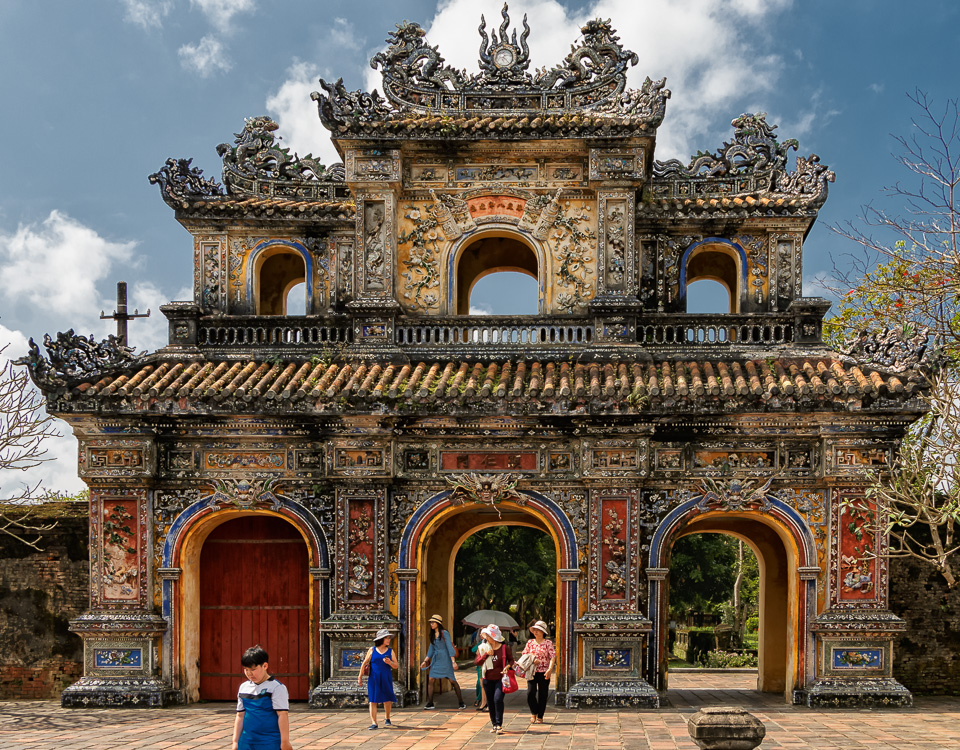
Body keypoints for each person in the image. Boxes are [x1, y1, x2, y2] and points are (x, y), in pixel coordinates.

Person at [232, 644, 292, 750]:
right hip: (247, 741)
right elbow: (240, 715)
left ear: (265, 666)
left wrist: (285, 742)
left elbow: (282, 715)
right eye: (246, 670)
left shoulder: (277, 688)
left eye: (253, 669)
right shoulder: (243, 687)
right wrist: (235, 741)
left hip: (270, 741)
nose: (249, 673)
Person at [418, 614, 465, 709]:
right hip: (436, 660)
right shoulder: (432, 634)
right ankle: (430, 703)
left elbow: (449, 646)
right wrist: (425, 661)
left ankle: (461, 702)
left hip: (446, 659)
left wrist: (453, 662)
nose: (431, 624)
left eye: (433, 622)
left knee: (452, 681)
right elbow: (431, 649)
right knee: (431, 679)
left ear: (438, 623)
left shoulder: (444, 633)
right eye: (431, 622)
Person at [475, 623, 514, 734]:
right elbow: (477, 662)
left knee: (498, 699)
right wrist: (486, 655)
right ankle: (494, 724)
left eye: (490, 636)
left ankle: (499, 724)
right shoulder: (483, 648)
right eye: (487, 636)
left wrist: (507, 667)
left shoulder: (503, 648)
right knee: (490, 702)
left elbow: (511, 660)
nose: (488, 638)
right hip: (487, 679)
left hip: (500, 679)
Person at [358, 628, 399, 730]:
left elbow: (396, 665)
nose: (389, 640)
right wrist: (360, 677)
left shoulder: (390, 651)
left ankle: (387, 717)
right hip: (374, 678)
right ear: (381, 639)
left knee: (387, 699)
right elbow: (364, 663)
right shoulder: (371, 650)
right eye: (386, 638)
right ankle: (374, 723)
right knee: (372, 700)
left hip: (386, 677)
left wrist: (390, 663)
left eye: (389, 638)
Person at [521, 620, 555, 724]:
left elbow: (552, 656)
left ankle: (540, 715)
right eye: (535, 630)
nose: (536, 632)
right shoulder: (530, 643)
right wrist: (532, 659)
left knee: (543, 694)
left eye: (538, 630)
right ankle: (533, 712)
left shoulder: (548, 643)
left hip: (544, 671)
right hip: (532, 671)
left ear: (543, 632)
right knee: (530, 693)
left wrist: (550, 669)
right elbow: (524, 654)